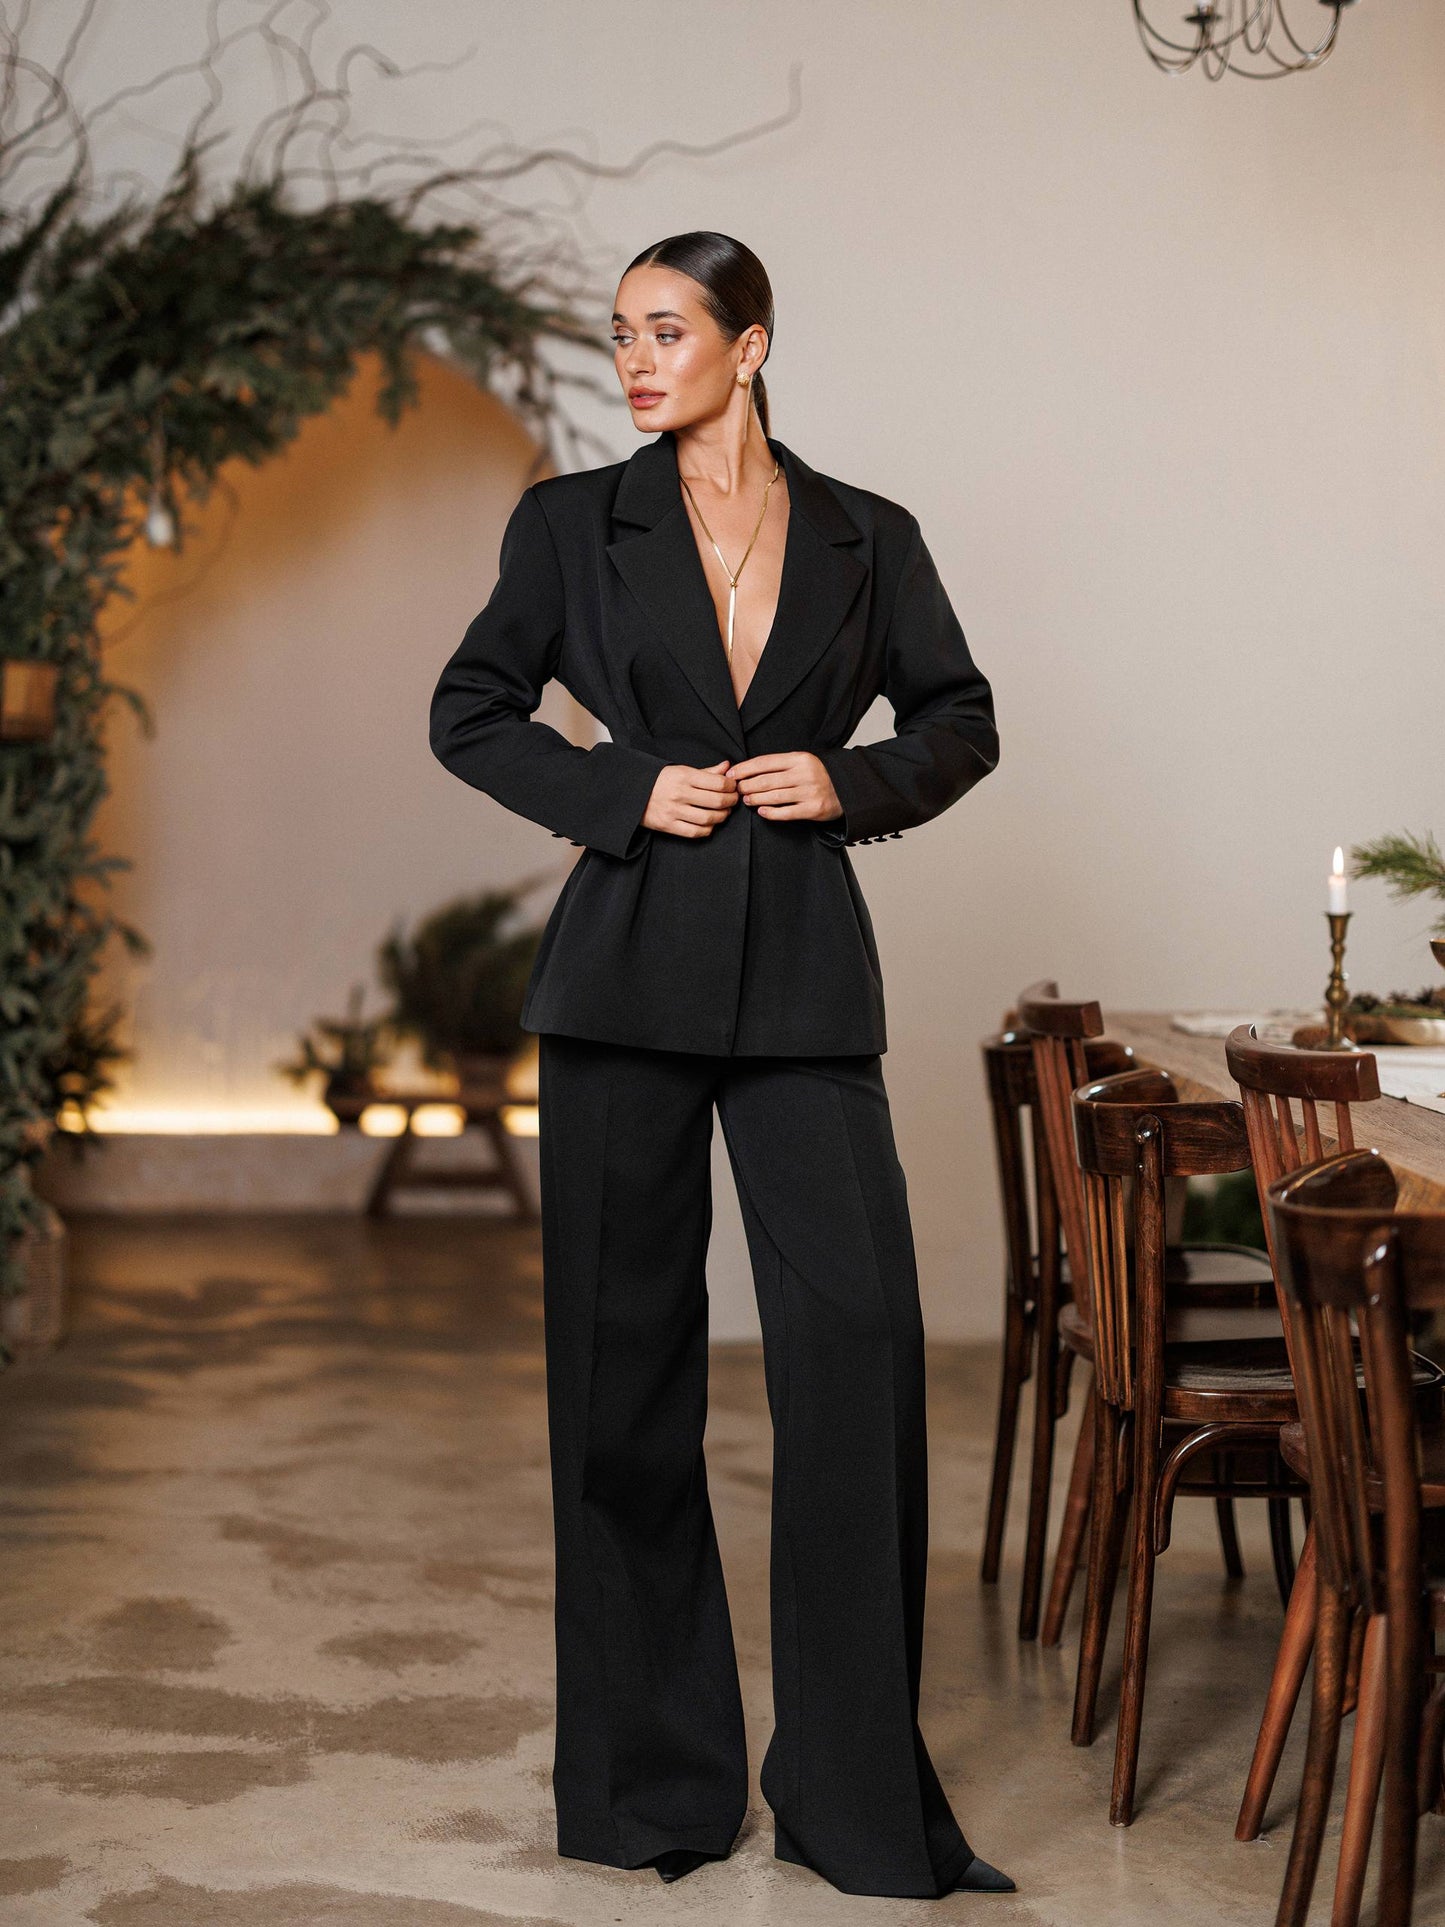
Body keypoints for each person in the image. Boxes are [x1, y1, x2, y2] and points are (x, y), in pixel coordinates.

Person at [429, 231, 1010, 1899]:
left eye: (665, 330)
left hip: (810, 999)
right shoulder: (567, 524)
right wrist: (619, 794)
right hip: (618, 988)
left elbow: (959, 717)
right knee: (621, 1399)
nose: (633, 359)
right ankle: (646, 1785)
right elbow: (469, 708)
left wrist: (850, 782)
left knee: (853, 1366)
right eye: (618, 334)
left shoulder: (866, 536)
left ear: (749, 345)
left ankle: (847, 1793)